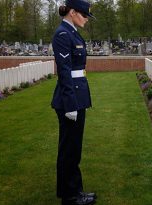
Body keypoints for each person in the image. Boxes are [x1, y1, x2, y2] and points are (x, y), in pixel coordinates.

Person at [51, 0, 96, 204]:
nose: (86, 18)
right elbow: (64, 71)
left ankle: (76, 190)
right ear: (72, 12)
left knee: (74, 148)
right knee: (69, 149)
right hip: (70, 99)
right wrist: (70, 104)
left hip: (78, 96)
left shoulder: (73, 33)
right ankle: (69, 197)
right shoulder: (62, 34)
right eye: (84, 14)